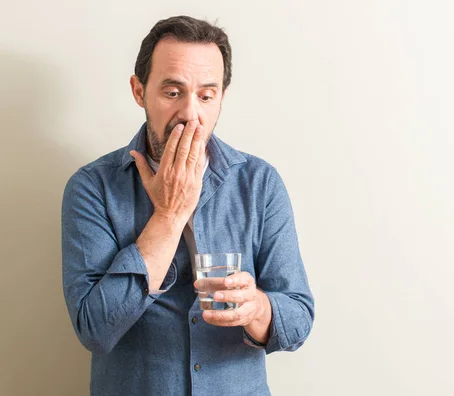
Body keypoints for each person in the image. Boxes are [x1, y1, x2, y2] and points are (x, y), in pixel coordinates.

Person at [61, 15, 314, 396]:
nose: (190, 114)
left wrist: (257, 309)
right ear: (138, 90)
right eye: (173, 92)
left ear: (221, 98)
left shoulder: (259, 183)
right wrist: (169, 214)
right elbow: (96, 329)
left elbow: (298, 320)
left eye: (206, 95)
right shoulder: (92, 187)